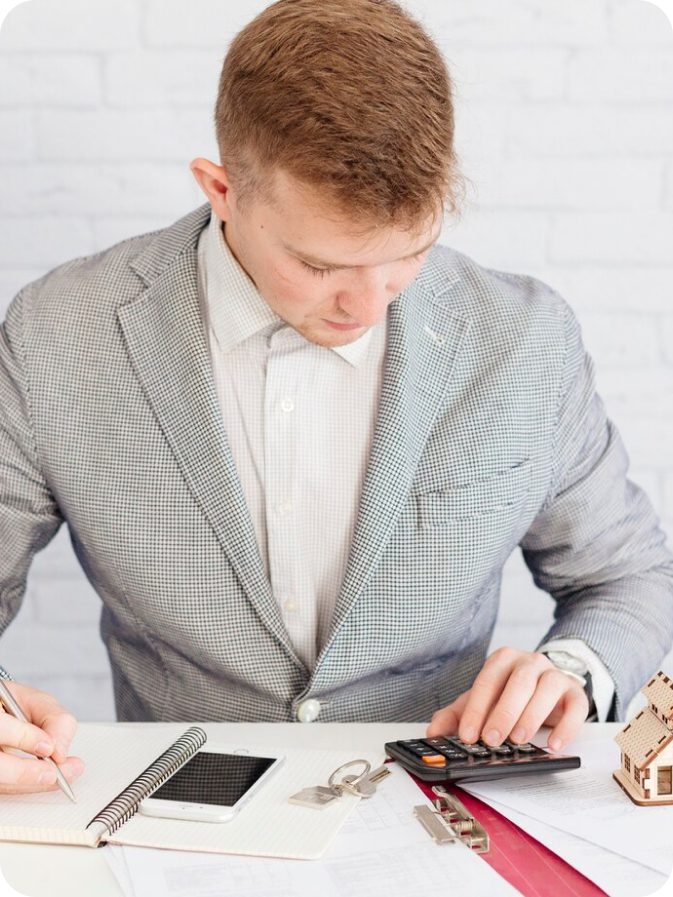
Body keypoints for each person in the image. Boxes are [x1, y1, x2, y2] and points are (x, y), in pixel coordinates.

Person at [1, 0, 671, 797]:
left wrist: (571, 670)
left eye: (407, 254)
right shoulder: (59, 335)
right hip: (175, 821)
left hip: (440, 817)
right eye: (321, 266)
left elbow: (627, 577)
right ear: (221, 190)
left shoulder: (523, 341)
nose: (368, 306)